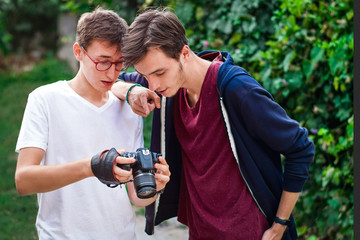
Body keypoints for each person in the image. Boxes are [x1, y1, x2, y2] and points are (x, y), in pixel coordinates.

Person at [111, 8, 315, 240]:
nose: (153, 85)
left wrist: (280, 225)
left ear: (184, 53)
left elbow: (301, 147)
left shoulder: (237, 89)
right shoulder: (170, 85)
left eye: (159, 73)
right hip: (201, 231)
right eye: (145, 76)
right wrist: (132, 91)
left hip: (252, 232)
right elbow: (112, 82)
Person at [14, 7, 170, 240]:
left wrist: (156, 185)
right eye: (103, 62)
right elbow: (24, 180)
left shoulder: (129, 109)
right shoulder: (45, 99)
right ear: (78, 51)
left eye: (120, 63)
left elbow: (136, 198)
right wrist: (91, 167)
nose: (112, 73)